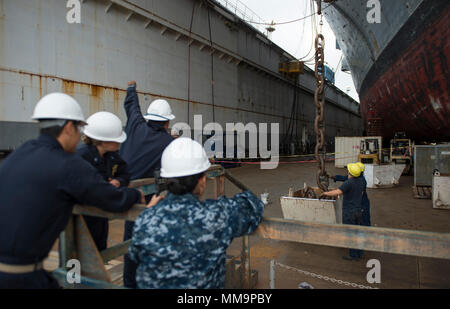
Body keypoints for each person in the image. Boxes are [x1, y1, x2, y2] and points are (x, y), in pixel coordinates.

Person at [0, 93, 156, 289]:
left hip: (23, 269)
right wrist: (135, 194)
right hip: (19, 277)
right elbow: (109, 198)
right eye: (78, 128)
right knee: (75, 267)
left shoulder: (21, 153)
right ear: (68, 128)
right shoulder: (68, 163)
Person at [129, 138, 265, 289]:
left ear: (166, 179)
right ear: (202, 180)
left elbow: (134, 255)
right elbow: (253, 204)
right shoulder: (216, 215)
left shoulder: (145, 219)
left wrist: (149, 213)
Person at [119, 81, 175, 288]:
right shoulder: (169, 144)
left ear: (149, 118)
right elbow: (169, 173)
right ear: (167, 123)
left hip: (129, 196)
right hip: (151, 201)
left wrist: (131, 88)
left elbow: (132, 106)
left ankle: (129, 284)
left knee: (130, 243)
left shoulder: (135, 125)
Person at [76, 111, 130, 251]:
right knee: (76, 259)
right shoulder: (81, 157)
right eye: (116, 139)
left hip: (100, 217)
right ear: (104, 141)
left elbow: (125, 173)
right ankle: (73, 274)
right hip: (81, 218)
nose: (119, 142)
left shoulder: (111, 155)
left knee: (98, 257)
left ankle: (92, 272)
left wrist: (119, 181)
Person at [322, 163, 365, 261]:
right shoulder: (361, 181)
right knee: (357, 232)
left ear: (350, 172)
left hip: (349, 212)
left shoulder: (349, 183)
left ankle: (353, 255)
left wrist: (325, 193)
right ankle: (358, 253)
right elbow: (361, 193)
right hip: (358, 210)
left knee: (350, 233)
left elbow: (338, 192)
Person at [331, 162, 371, 227]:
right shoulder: (357, 177)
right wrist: (335, 177)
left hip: (362, 204)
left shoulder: (362, 181)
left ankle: (366, 234)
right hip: (358, 204)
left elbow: (340, 191)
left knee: (364, 221)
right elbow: (345, 178)